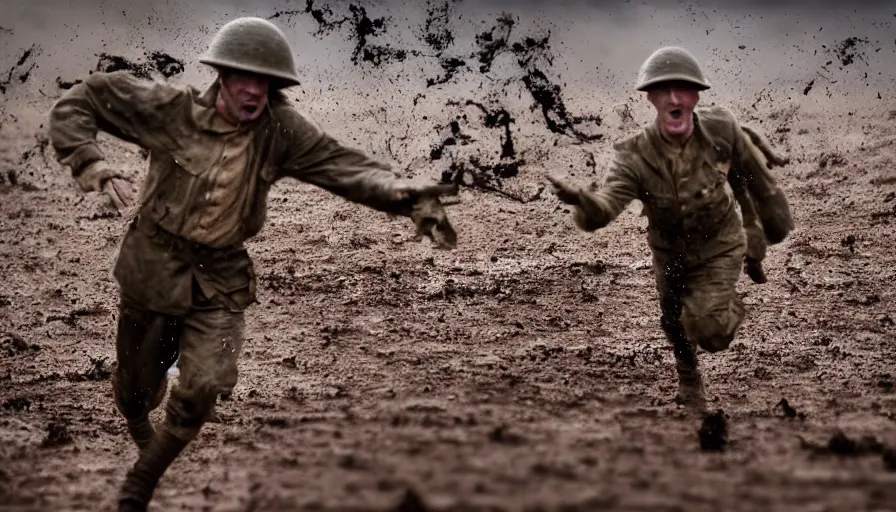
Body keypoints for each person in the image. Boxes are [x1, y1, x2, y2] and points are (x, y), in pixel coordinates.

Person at [48, 17, 458, 511]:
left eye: (264, 81)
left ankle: (140, 484)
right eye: (243, 77)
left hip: (220, 277)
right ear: (221, 76)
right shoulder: (169, 111)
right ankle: (137, 420)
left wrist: (404, 194)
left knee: (203, 387)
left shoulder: (280, 131)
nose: (253, 90)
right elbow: (84, 98)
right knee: (137, 391)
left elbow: (343, 166)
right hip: (151, 265)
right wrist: (89, 161)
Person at [548, 46, 793, 412]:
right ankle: (689, 378)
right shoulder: (634, 155)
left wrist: (768, 226)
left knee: (709, 330)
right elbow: (605, 208)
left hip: (721, 243)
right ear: (650, 98)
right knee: (673, 320)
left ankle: (724, 305)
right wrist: (583, 200)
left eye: (683, 89)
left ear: (696, 96)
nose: (675, 97)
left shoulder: (721, 130)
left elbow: (756, 179)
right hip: (670, 251)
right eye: (664, 90)